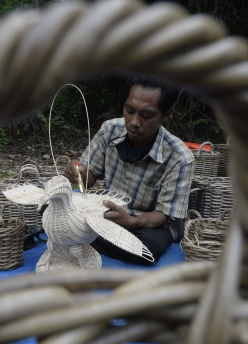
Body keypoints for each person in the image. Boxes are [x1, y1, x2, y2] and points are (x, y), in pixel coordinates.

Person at [65, 75, 194, 264]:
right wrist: (79, 175)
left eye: (146, 115)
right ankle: (92, 235)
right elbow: (88, 179)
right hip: (107, 214)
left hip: (148, 224)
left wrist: (132, 221)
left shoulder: (180, 158)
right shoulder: (110, 130)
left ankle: (82, 237)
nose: (134, 121)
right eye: (129, 110)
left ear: (166, 115)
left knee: (147, 249)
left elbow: (163, 214)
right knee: (51, 208)